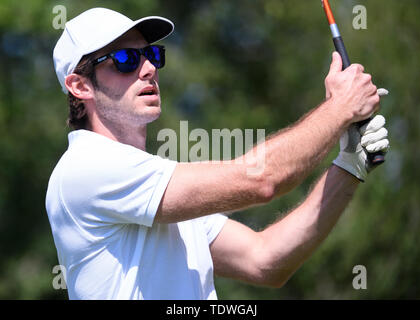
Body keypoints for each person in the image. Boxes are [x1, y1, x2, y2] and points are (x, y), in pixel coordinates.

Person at [46, 7, 390, 300]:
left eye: (152, 55)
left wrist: (348, 165)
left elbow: (265, 259)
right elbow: (262, 180)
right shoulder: (86, 167)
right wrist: (340, 109)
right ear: (80, 86)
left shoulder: (158, 183)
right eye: (126, 59)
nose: (149, 68)